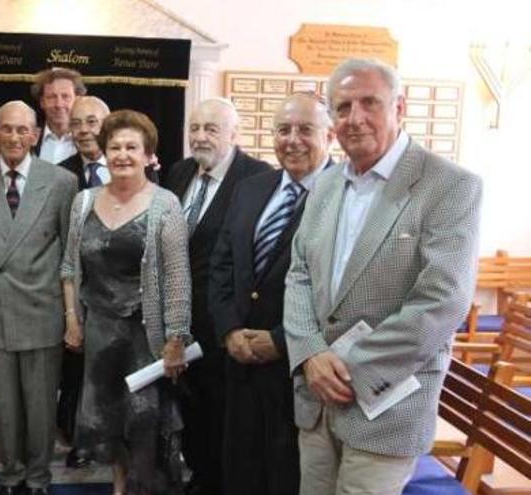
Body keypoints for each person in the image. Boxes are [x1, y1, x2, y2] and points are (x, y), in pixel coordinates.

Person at [284, 58, 482, 495]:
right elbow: (298, 273)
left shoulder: (448, 185)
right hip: (317, 400)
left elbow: (443, 300)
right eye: (342, 107)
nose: (355, 118)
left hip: (387, 402)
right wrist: (311, 354)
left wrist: (345, 368)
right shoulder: (327, 183)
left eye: (369, 102)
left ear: (399, 106)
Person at [209, 93, 334, 495]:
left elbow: (341, 292)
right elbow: (222, 265)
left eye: (305, 130)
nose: (292, 139)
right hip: (240, 363)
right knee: (241, 472)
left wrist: (281, 341)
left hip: (300, 369)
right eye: (283, 130)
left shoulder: (344, 196)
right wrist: (229, 330)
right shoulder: (249, 189)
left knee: (288, 477)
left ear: (329, 135)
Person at [62, 109, 191, 495]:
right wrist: (72, 319)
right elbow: (69, 266)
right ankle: (120, 487)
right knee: (108, 422)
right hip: (100, 332)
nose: (122, 155)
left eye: (132, 147)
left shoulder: (164, 204)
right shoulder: (83, 202)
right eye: (114, 146)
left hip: (146, 335)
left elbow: (177, 277)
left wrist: (177, 338)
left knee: (144, 423)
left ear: (148, 154)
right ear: (103, 152)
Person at [0, 101, 78, 495]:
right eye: (6, 129)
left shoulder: (61, 182)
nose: (14, 137)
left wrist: (70, 314)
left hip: (42, 309)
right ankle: (10, 474)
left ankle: (39, 476)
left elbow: (69, 255)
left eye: (23, 130)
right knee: (4, 404)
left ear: (36, 134)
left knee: (41, 403)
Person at [163, 97, 271, 495]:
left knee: (227, 418)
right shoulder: (179, 172)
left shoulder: (259, 178)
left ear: (234, 134)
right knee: (193, 414)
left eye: (211, 128)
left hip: (227, 323)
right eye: (195, 128)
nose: (200, 136)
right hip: (181, 322)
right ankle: (201, 478)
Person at [31, 68, 86, 164]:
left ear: (78, 100)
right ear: (42, 102)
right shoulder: (29, 137)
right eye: (51, 97)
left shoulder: (89, 138)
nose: (58, 104)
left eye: (65, 97)